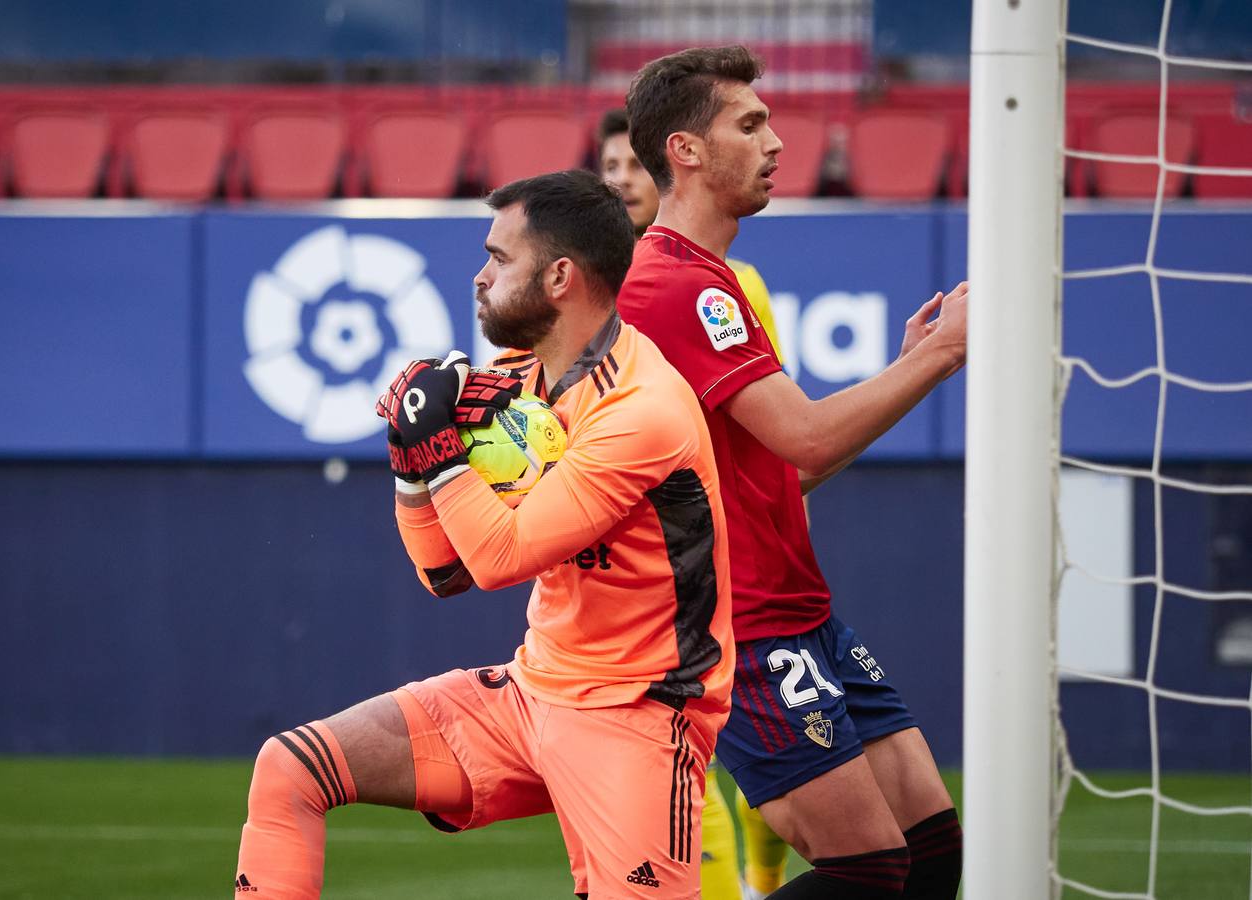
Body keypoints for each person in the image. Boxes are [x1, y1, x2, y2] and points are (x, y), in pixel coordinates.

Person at [232, 169, 736, 899]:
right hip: (533, 694)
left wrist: (437, 447)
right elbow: (446, 573)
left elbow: (499, 558)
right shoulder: (516, 380)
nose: (479, 277)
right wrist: (413, 460)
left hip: (638, 712)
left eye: (500, 259)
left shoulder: (641, 409)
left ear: (560, 276)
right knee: (291, 769)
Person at [619, 46, 967, 900]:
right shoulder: (672, 285)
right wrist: (948, 354)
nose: (777, 141)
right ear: (686, 151)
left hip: (802, 614)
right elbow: (808, 440)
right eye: (750, 123)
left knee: (931, 857)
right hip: (741, 629)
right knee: (869, 871)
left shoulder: (717, 281)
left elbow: (786, 470)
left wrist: (914, 364)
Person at [599, 105, 791, 900]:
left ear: (670, 168)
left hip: (722, 571)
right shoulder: (584, 288)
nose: (619, 181)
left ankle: (761, 880)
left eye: (631, 167)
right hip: (626, 575)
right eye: (607, 170)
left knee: (759, 771)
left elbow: (780, 437)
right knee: (670, 768)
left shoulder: (729, 285)